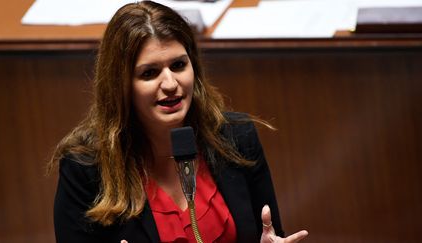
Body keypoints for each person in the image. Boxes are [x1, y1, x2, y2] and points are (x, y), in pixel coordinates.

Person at [48, 1, 308, 243]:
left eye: (178, 65)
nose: (171, 84)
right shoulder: (85, 170)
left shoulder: (237, 138)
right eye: (149, 73)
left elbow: (270, 232)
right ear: (121, 86)